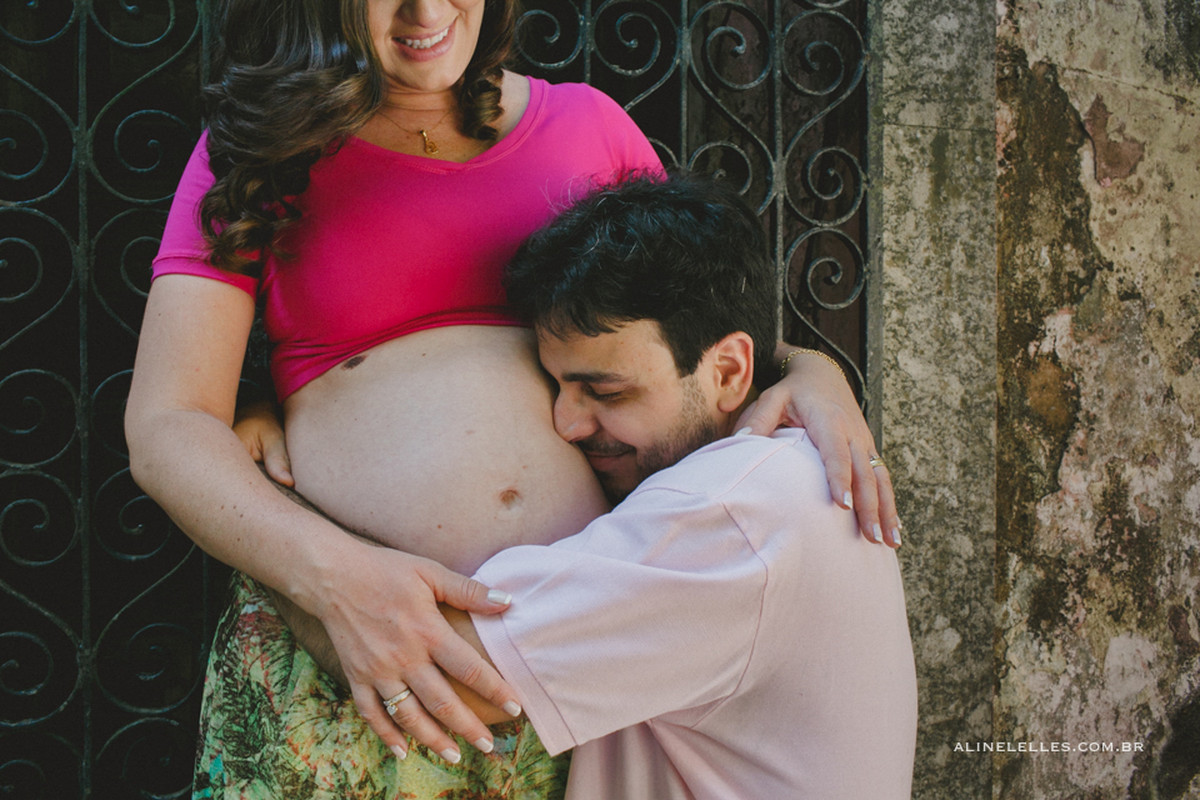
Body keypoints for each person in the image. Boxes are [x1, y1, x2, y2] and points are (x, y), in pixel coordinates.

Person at [124, 0, 900, 796]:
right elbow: (166, 424)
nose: (424, 11)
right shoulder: (262, 153)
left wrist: (812, 371)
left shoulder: (589, 124)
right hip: (340, 656)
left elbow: (697, 335)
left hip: (576, 694)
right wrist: (333, 580)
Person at [272, 173, 917, 797]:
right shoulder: (791, 470)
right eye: (556, 385)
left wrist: (269, 528)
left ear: (728, 370)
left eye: (605, 391)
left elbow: (441, 671)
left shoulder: (726, 516)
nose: (567, 423)